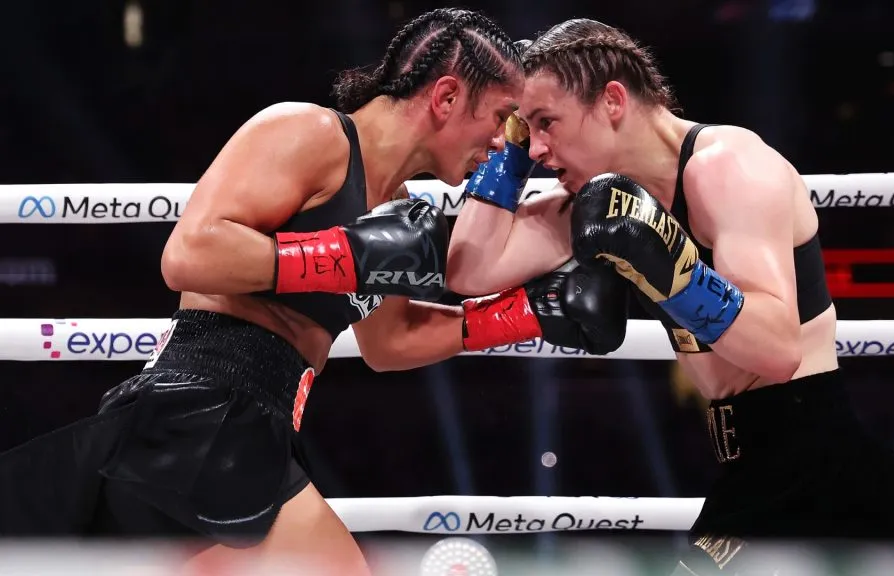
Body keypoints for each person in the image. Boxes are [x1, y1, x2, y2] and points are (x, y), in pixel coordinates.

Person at [0, 9, 629, 575]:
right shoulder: (310, 134)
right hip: (203, 410)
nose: (499, 145)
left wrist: (528, 315)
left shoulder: (398, 208)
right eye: (498, 119)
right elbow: (189, 254)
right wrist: (345, 256)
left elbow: (390, 342)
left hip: (256, 427)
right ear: (445, 97)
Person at [447, 18, 894, 574]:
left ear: (612, 100)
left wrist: (674, 269)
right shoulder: (605, 203)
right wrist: (512, 156)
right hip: (755, 473)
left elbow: (778, 349)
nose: (541, 147)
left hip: (822, 475)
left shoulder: (728, 166)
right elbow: (471, 269)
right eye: (529, 131)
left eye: (547, 123)